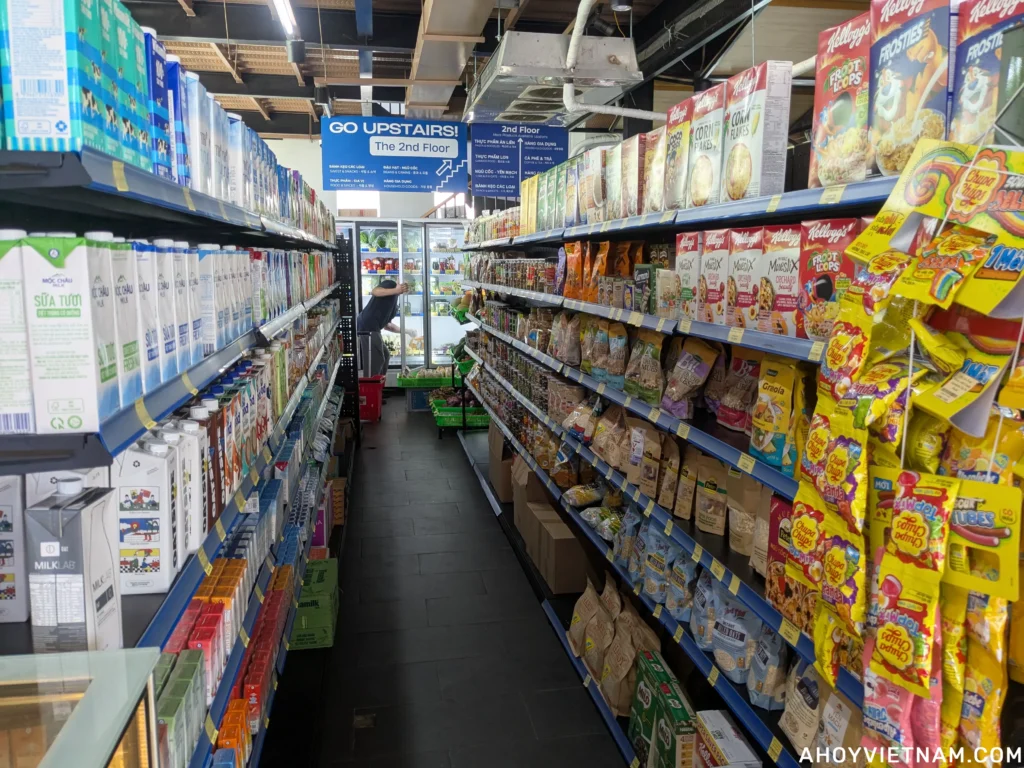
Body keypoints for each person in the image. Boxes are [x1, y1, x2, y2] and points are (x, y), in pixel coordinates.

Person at [357, 279, 415, 375]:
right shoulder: (390, 284)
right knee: (377, 360)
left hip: (373, 328)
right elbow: (375, 291)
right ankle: (371, 386)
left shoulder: (395, 304)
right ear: (398, 280)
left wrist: (407, 331)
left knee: (386, 355)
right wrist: (396, 290)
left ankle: (379, 383)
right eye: (404, 284)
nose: (405, 287)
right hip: (367, 326)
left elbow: (388, 326)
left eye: (408, 286)